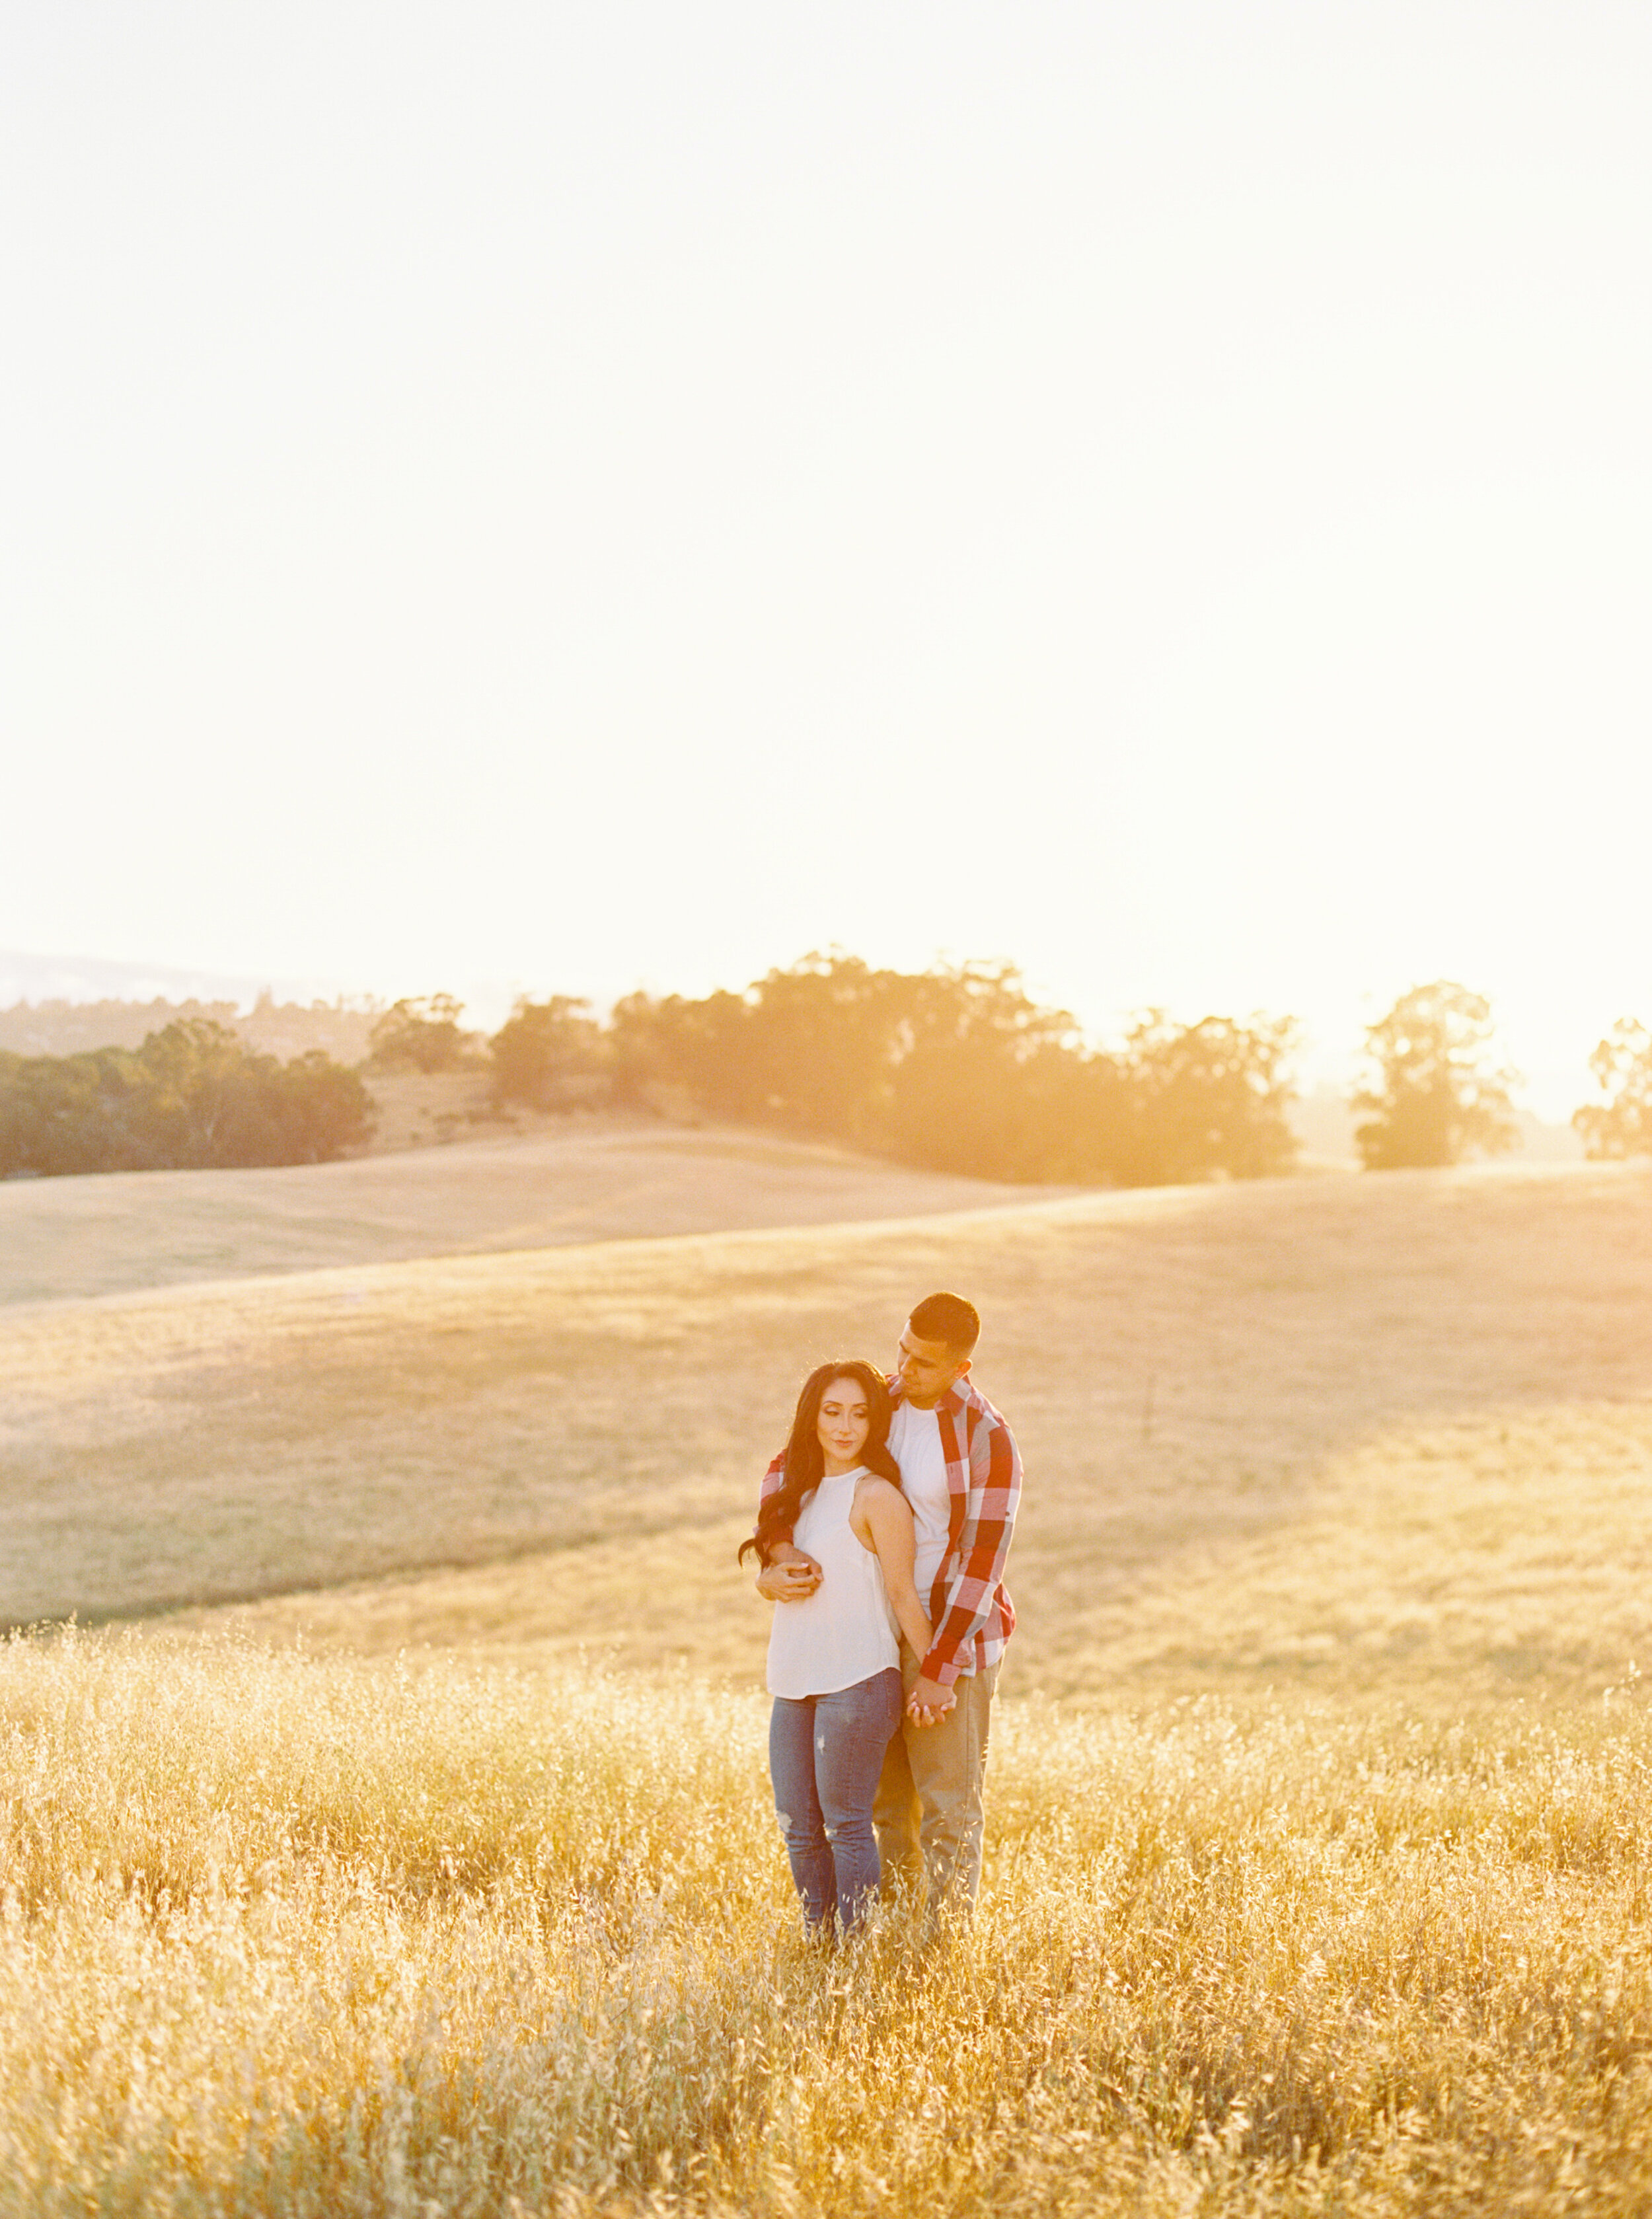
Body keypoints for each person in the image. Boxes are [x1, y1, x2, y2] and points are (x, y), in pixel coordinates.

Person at [755, 1291, 1022, 1918]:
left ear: (962, 1369)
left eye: (924, 1362)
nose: (905, 1368)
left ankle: (943, 1948)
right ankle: (893, 1932)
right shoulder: (883, 1398)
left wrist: (938, 1669)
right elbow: (787, 1466)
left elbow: (984, 1564)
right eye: (902, 1349)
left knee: (948, 1805)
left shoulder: (988, 1438)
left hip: (950, 1638)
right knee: (885, 1805)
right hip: (873, 1634)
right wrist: (775, 1551)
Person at [739, 1359, 935, 1935]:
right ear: (812, 1417)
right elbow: (775, 1573)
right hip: (793, 1679)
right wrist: (764, 1581)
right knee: (798, 1825)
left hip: (858, 1680)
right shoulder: (792, 1493)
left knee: (846, 1825)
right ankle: (818, 1945)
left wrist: (934, 1674)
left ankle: (854, 1954)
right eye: (832, 1412)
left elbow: (902, 1594)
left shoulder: (878, 1496)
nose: (845, 1427)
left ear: (876, 1423)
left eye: (859, 1414)